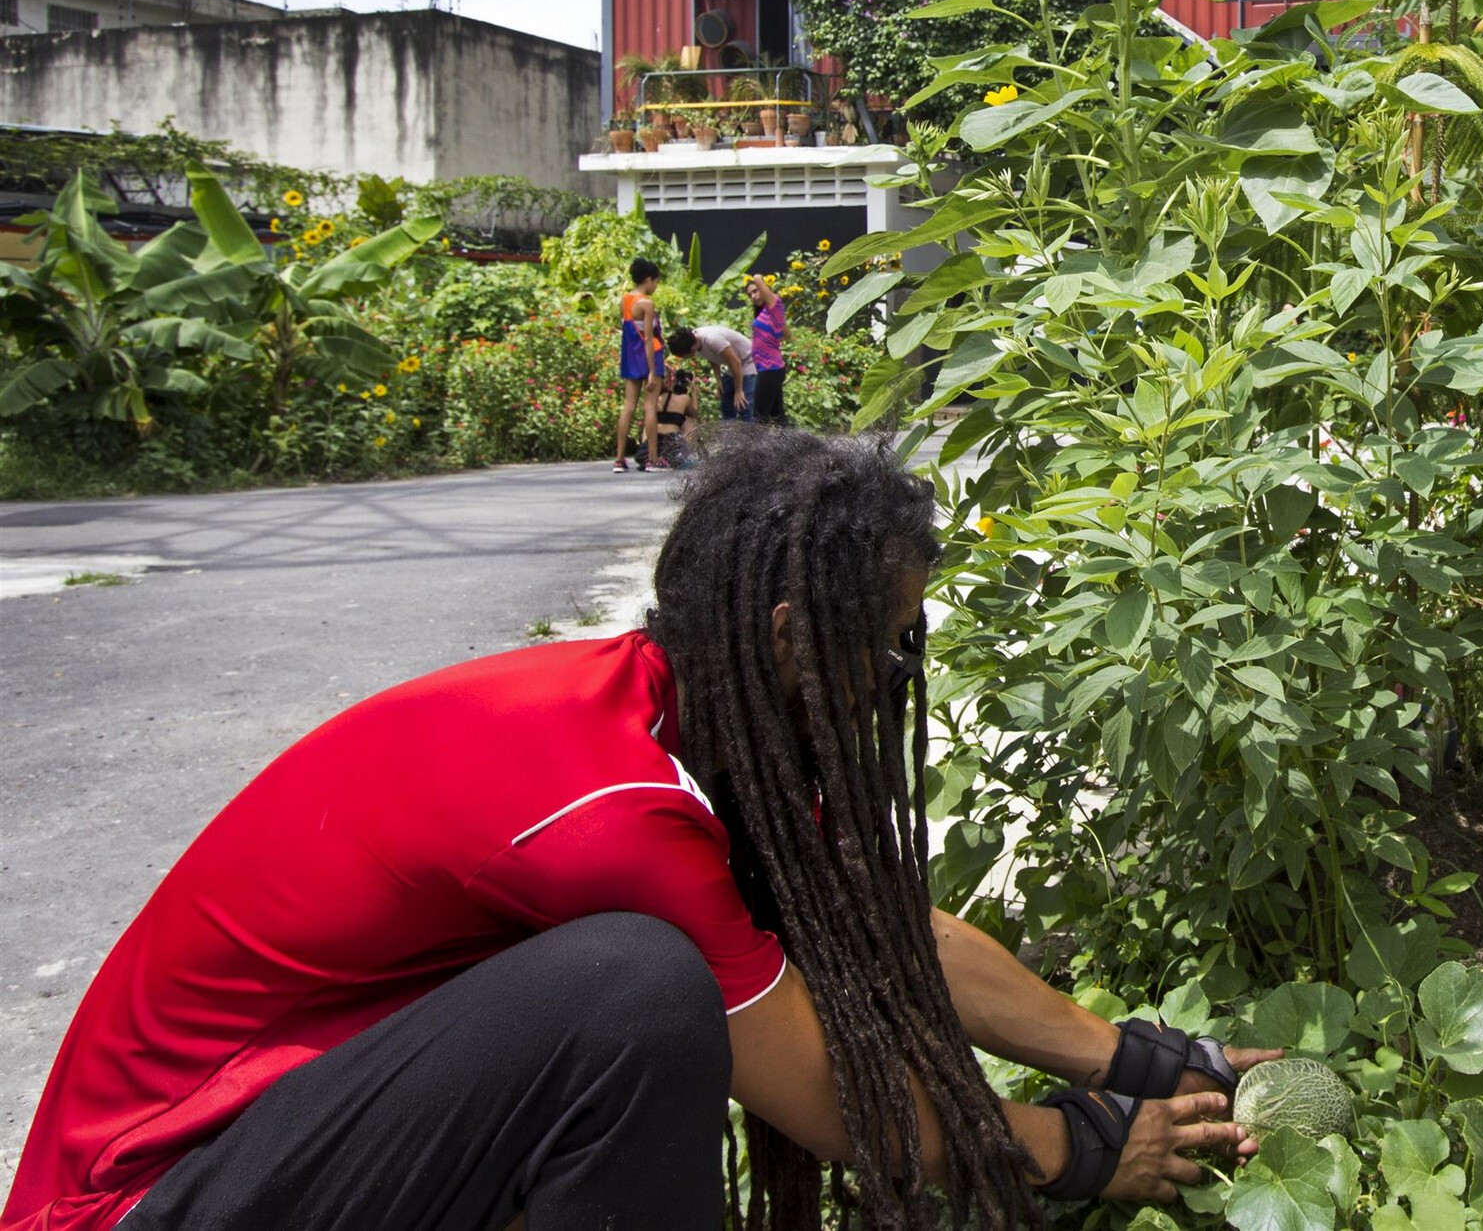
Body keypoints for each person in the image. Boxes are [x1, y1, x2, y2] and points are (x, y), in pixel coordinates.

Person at [6, 431, 1273, 1231]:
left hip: (311, 1147)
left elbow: (889, 934)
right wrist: (1076, 1155)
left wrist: (1148, 1064)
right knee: (636, 995)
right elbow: (838, 1105)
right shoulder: (612, 807)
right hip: (150, 1202)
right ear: (789, 638)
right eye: (889, 647)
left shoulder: (698, 713)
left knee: (647, 989)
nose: (899, 677)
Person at [613, 258, 666, 473]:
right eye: (656, 281)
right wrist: (653, 371)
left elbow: (629, 330)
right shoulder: (647, 303)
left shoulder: (625, 300)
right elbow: (648, 338)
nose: (656, 286)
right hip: (649, 356)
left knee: (628, 407)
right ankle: (652, 458)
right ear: (648, 280)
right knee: (650, 406)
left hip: (629, 356)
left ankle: (619, 459)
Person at [666, 321, 751, 420]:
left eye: (684, 356)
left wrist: (739, 390)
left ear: (691, 350)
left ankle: (750, 429)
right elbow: (711, 357)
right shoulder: (695, 340)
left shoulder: (712, 339)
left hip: (749, 360)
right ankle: (728, 432)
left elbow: (735, 363)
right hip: (735, 365)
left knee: (744, 403)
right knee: (726, 402)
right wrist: (718, 380)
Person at [746, 274, 787, 424]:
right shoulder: (766, 313)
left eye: (756, 291)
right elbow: (785, 333)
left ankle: (755, 447)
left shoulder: (774, 305)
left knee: (759, 417)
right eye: (750, 294)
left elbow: (757, 278)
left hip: (770, 369)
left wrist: (756, 277)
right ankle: (793, 445)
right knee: (778, 416)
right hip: (769, 369)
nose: (753, 296)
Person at [655, 362, 703, 467]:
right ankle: (686, 454)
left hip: (653, 443)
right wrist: (694, 392)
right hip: (672, 441)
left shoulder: (653, 400)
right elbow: (694, 414)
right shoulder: (683, 399)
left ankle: (654, 458)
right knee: (690, 420)